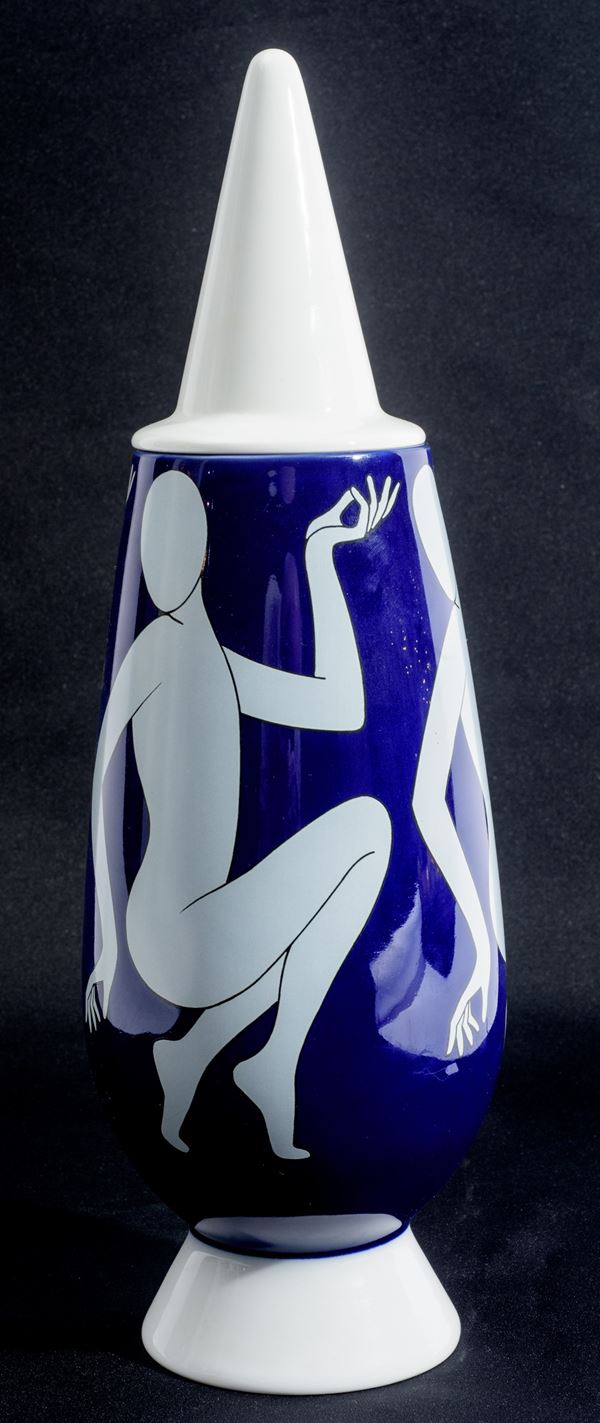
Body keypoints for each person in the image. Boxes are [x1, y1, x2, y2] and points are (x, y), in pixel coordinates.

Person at [85, 468, 398, 1159]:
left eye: (176, 544)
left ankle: (197, 1055)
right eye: (151, 546)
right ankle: (269, 1059)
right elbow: (107, 779)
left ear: (202, 553)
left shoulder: (217, 663)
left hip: (206, 922)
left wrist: (320, 555)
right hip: (168, 932)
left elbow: (341, 706)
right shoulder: (155, 649)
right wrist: (108, 943)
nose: (159, 565)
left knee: (352, 856)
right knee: (367, 832)